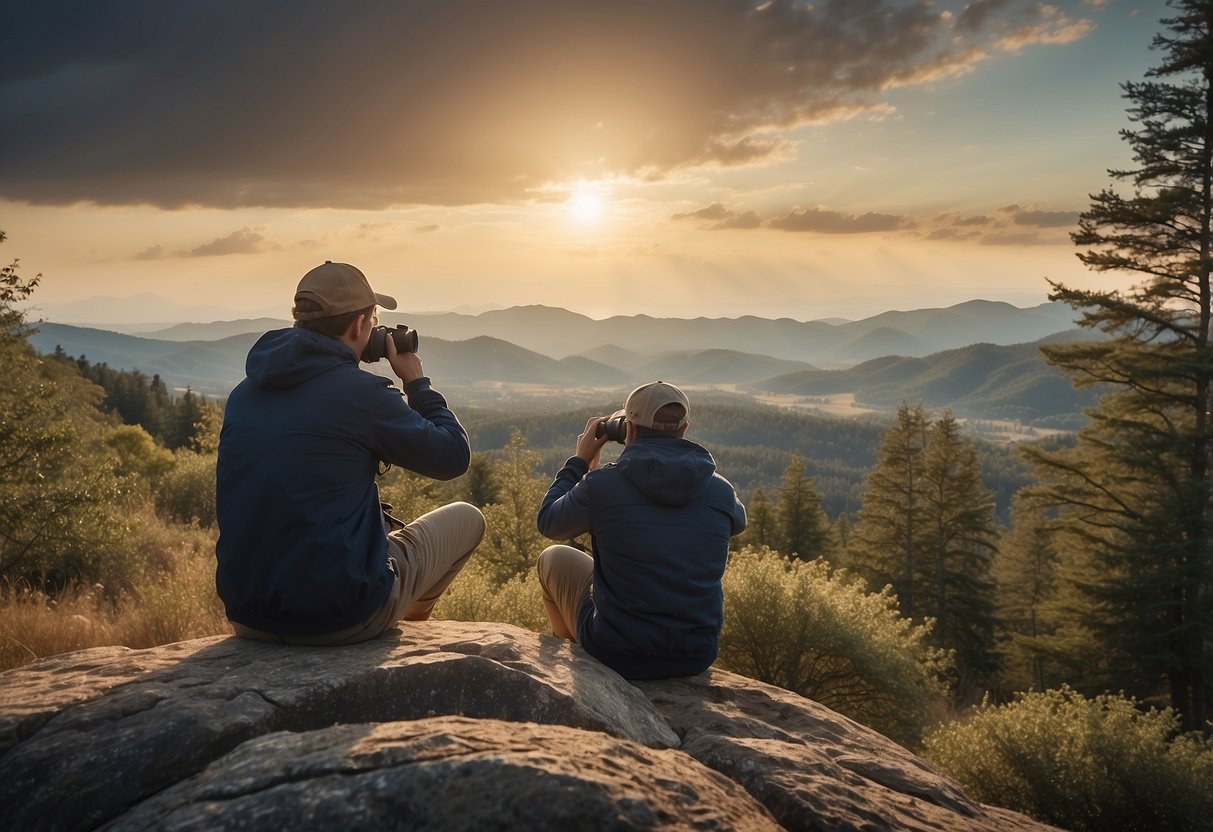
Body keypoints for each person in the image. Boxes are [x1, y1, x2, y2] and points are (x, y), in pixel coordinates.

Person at [215, 261, 484, 645]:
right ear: (359, 326)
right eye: (374, 321)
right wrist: (417, 382)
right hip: (342, 616)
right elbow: (454, 456)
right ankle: (409, 634)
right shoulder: (363, 394)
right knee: (467, 519)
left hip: (249, 616)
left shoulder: (244, 393)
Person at [535, 381, 746, 679]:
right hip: (695, 655)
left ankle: (576, 664)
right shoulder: (720, 490)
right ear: (684, 428)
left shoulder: (603, 487)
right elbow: (737, 522)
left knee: (552, 559)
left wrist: (580, 463)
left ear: (629, 431)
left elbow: (549, 522)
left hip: (617, 652)